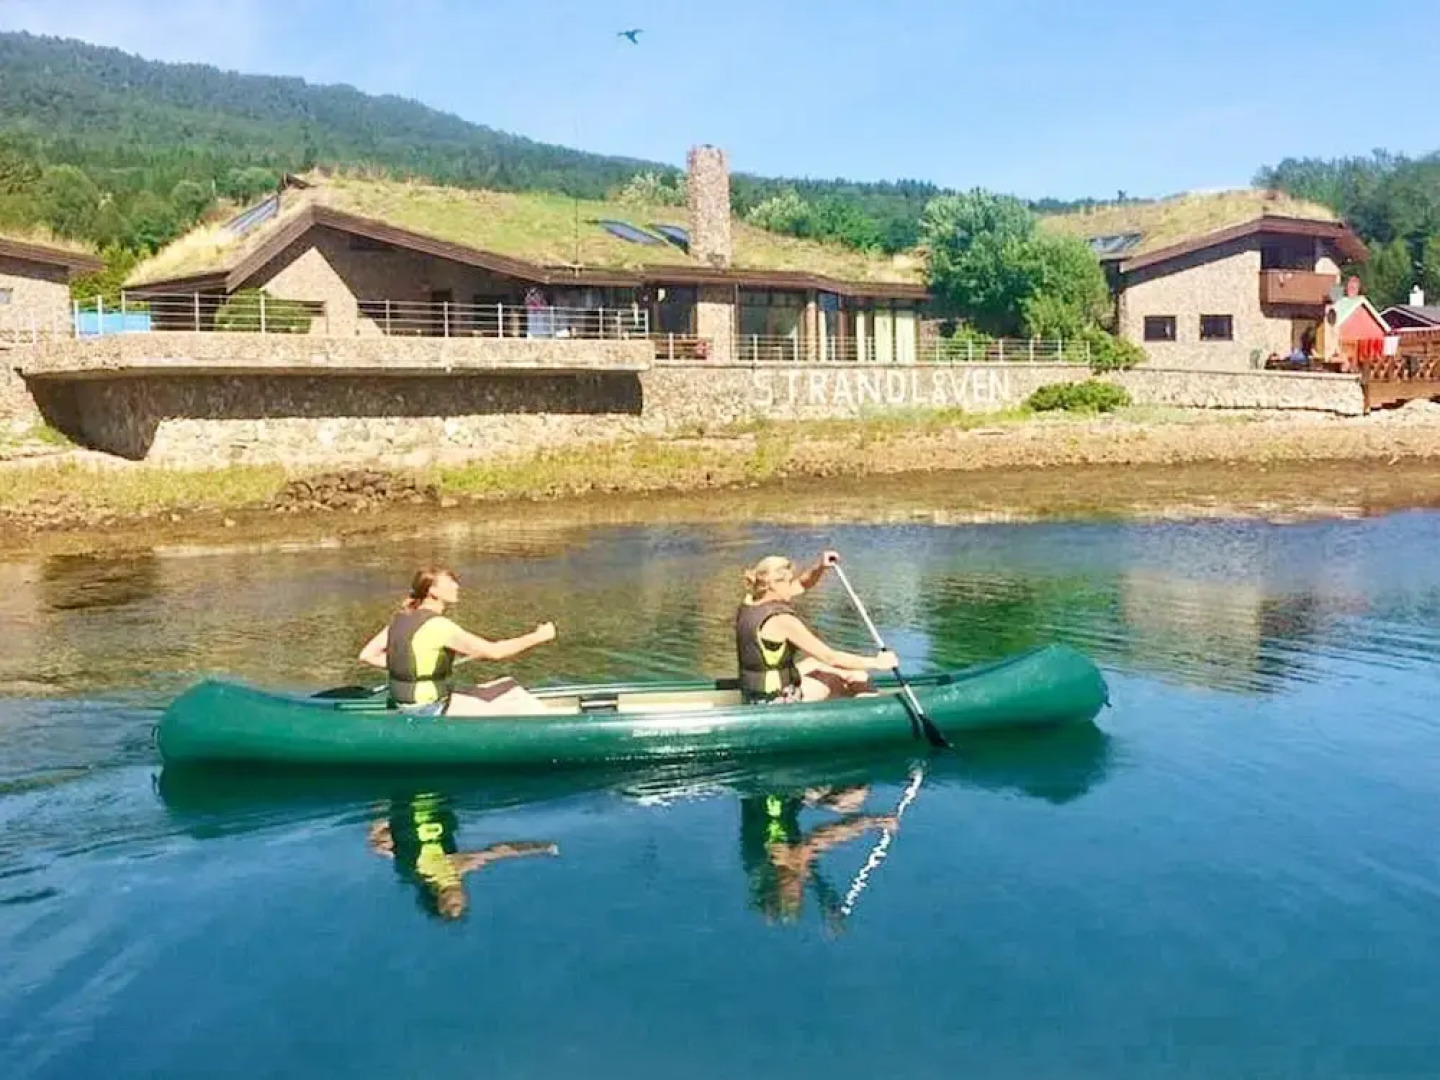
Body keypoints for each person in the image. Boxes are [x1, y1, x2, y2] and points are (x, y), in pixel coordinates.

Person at [358, 566, 556, 716]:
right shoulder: (439, 626)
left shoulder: (400, 619)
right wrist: (538, 636)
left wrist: (412, 666)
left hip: (400, 704)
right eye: (450, 582)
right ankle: (552, 731)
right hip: (428, 709)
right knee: (513, 694)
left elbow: (367, 655)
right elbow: (495, 652)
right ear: (432, 592)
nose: (457, 586)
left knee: (506, 683)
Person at [735, 551, 897, 704]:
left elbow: (802, 584)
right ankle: (871, 714)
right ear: (774, 584)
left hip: (753, 695)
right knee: (855, 676)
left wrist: (820, 567)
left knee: (815, 663)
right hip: (775, 701)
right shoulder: (782, 620)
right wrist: (877, 662)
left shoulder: (750, 602)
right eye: (789, 581)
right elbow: (830, 657)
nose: (792, 585)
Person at [368, 791, 559, 921]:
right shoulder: (459, 867)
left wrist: (379, 826)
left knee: (384, 836)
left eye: (450, 908)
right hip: (433, 801)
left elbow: (501, 851)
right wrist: (540, 848)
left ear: (438, 901)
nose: (456, 905)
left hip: (406, 802)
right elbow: (502, 851)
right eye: (461, 907)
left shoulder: (416, 871)